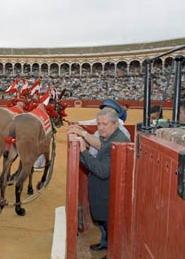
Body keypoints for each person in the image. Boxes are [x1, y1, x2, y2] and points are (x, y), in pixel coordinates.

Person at [67, 108, 130, 258]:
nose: (101, 127)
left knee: (111, 226)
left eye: (105, 124)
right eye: (99, 124)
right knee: (108, 225)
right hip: (105, 193)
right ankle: (108, 247)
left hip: (108, 195)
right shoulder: (112, 137)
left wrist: (83, 151)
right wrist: (83, 134)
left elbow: (102, 171)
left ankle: (112, 254)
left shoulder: (118, 139)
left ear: (115, 124)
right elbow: (102, 146)